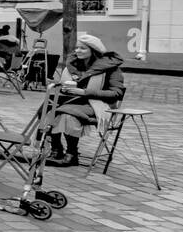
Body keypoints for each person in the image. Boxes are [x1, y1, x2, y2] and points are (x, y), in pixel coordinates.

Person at [45, 33, 125, 167]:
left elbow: (116, 93)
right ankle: (56, 149)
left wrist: (85, 92)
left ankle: (72, 154)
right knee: (48, 109)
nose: (77, 51)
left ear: (93, 51)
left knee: (67, 114)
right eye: (76, 48)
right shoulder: (75, 65)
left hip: (98, 105)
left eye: (82, 48)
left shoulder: (111, 68)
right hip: (73, 101)